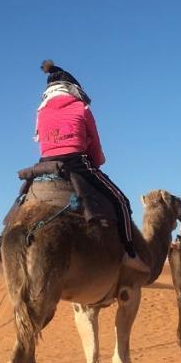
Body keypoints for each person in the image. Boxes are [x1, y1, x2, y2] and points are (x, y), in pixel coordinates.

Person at [34, 60, 145, 271]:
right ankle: (130, 253)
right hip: (77, 162)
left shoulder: (41, 112)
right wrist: (97, 161)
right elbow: (95, 147)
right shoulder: (80, 108)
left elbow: (43, 144)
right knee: (121, 201)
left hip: (46, 164)